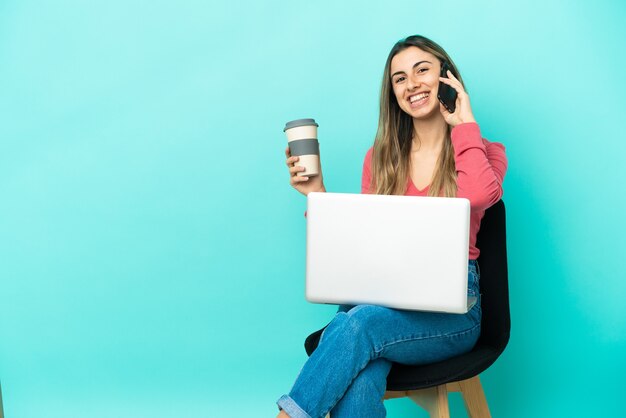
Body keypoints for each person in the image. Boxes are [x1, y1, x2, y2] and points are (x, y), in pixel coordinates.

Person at [277, 34, 508, 418]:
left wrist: (463, 123)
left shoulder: (483, 151)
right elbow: (362, 247)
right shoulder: (381, 158)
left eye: (422, 70)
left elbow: (481, 197)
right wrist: (316, 196)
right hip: (380, 300)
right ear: (393, 93)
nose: (411, 84)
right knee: (362, 369)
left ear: (447, 78)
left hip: (453, 314)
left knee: (357, 325)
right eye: (399, 78)